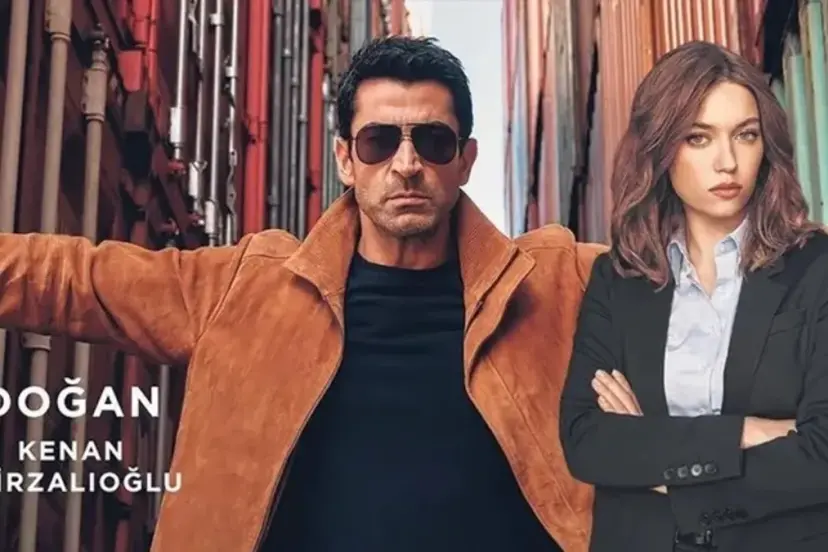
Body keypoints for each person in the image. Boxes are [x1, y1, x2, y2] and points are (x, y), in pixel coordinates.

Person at [0, 36, 602, 552]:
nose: (407, 163)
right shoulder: (247, 290)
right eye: (379, 141)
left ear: (465, 160)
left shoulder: (554, 285)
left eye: (433, 142)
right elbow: (73, 279)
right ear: (345, 159)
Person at [559, 39, 828, 552]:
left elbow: (823, 455)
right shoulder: (618, 280)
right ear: (661, 148)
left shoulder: (816, 268)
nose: (727, 162)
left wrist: (657, 455)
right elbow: (587, 440)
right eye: (698, 138)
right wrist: (746, 431)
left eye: (745, 135)